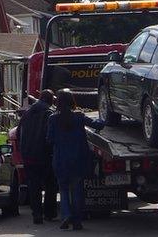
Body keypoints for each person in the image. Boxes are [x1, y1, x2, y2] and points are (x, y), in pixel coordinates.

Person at [47, 89, 105, 230]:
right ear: (71, 101)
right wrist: (104, 116)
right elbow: (98, 125)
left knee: (64, 189)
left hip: (60, 160)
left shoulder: (53, 119)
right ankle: (77, 220)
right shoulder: (79, 117)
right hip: (78, 159)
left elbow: (49, 139)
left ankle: (66, 215)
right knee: (77, 190)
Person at [18, 89, 58, 224]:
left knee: (34, 186)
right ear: (50, 100)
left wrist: (23, 151)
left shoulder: (27, 113)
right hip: (45, 155)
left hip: (29, 156)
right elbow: (51, 135)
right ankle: (49, 212)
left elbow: (18, 134)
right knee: (50, 184)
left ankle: (37, 214)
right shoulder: (49, 113)